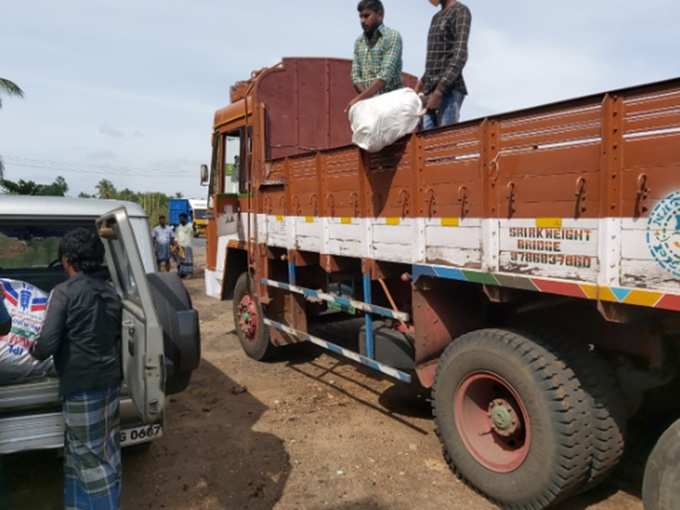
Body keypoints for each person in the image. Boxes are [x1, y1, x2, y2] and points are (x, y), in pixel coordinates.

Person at [30, 228, 123, 510]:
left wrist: (31, 347)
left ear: (68, 260)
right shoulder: (110, 291)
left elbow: (46, 345)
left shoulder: (64, 293)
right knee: (89, 452)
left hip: (81, 387)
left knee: (93, 462)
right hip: (109, 382)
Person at [417, 0, 472, 129]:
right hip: (429, 93)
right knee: (426, 146)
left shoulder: (460, 11)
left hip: (448, 91)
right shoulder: (435, 18)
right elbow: (437, 57)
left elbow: (460, 54)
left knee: (444, 144)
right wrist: (422, 82)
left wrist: (439, 91)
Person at [348, 0, 404, 111]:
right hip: (369, 105)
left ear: (380, 15)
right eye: (361, 17)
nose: (363, 21)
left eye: (366, 16)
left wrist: (360, 99)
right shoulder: (359, 42)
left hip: (393, 104)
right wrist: (369, 100)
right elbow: (355, 76)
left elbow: (385, 75)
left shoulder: (392, 37)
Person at [174, 213, 194, 279]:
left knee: (188, 260)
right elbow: (176, 237)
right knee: (181, 260)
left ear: (186, 219)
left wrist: (194, 226)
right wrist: (176, 246)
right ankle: (182, 273)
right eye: (180, 218)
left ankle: (189, 273)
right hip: (180, 247)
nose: (180, 220)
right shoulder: (178, 227)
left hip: (188, 246)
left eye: (182, 218)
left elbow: (194, 231)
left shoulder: (190, 226)